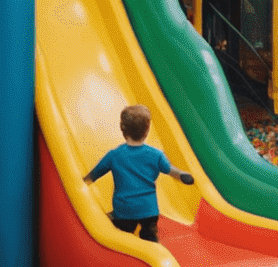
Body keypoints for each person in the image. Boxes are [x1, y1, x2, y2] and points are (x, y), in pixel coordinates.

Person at [83, 104, 195, 243]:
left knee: (114, 227)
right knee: (149, 234)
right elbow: (171, 171)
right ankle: (151, 241)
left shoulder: (114, 155)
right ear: (147, 130)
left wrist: (82, 183)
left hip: (124, 211)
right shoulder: (156, 155)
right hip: (149, 211)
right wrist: (183, 175)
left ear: (122, 128)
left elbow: (94, 174)